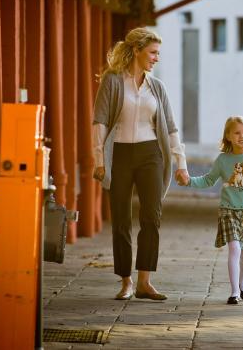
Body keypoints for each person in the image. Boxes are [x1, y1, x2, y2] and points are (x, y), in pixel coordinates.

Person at [92, 27, 188, 301]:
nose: (156, 58)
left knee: (151, 217)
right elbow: (99, 122)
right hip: (120, 153)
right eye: (153, 52)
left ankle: (145, 281)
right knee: (121, 219)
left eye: (158, 53)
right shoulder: (112, 81)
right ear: (137, 50)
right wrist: (99, 160)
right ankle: (126, 282)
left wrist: (181, 163)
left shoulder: (157, 87)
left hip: (151, 155)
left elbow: (170, 127)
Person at [178, 116, 243, 304]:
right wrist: (189, 180)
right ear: (228, 136)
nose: (242, 136)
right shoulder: (223, 160)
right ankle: (234, 292)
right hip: (228, 210)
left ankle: (242, 281)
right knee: (235, 248)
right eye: (237, 133)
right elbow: (208, 180)